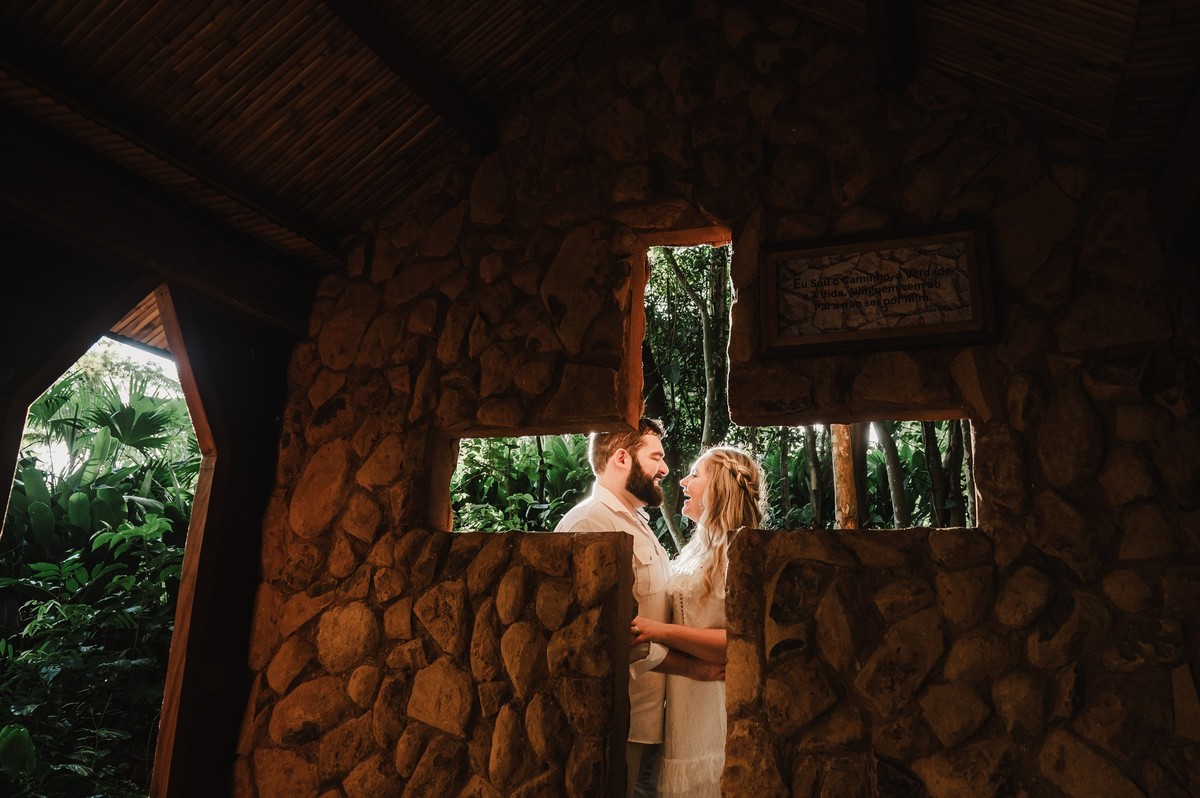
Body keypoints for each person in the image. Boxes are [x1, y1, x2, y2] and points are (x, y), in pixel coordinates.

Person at [554, 418, 721, 798]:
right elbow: (603, 636)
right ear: (622, 458)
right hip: (621, 720)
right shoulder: (589, 524)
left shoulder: (637, 523)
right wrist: (692, 667)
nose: (665, 468)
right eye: (656, 457)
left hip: (656, 719)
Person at [630, 446, 767, 798]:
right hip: (683, 707)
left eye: (695, 475)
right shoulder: (696, 550)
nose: (683, 481)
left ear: (719, 486)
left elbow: (737, 644)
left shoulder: (741, 552)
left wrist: (656, 631)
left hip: (716, 709)